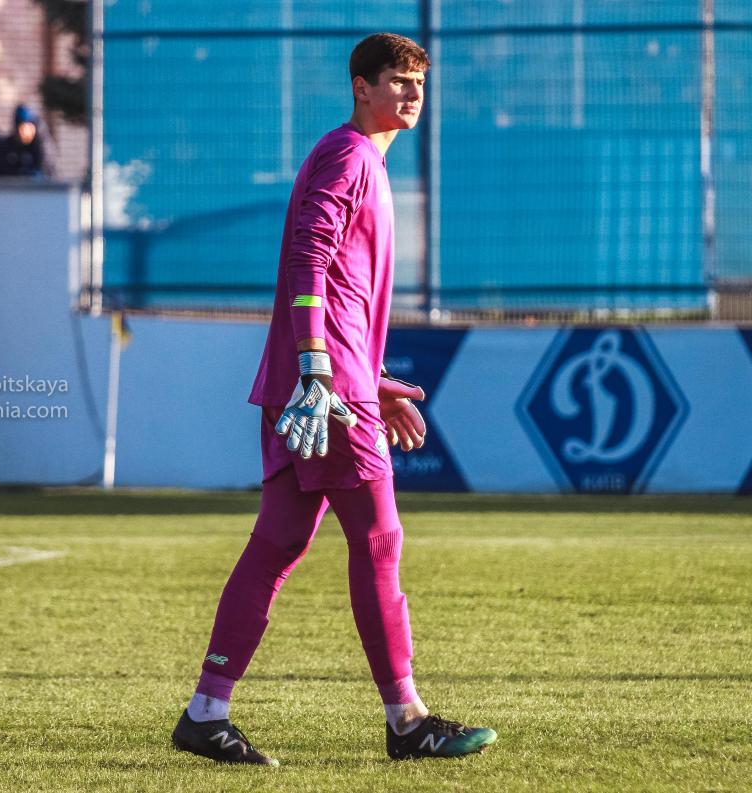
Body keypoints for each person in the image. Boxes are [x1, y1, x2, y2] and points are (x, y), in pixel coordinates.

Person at [171, 33, 497, 766]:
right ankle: (407, 720)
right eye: (398, 80)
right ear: (361, 86)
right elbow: (307, 259)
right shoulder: (350, 155)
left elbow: (336, 284)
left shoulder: (359, 158)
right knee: (379, 539)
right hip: (323, 389)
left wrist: (364, 379)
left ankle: (205, 713)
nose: (412, 93)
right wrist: (322, 368)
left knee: (278, 542)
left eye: (419, 82)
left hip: (323, 383)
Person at [0, 104, 53, 178]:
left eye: (30, 128)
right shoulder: (7, 146)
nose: (27, 132)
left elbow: (49, 172)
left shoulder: (42, 147)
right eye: (23, 128)